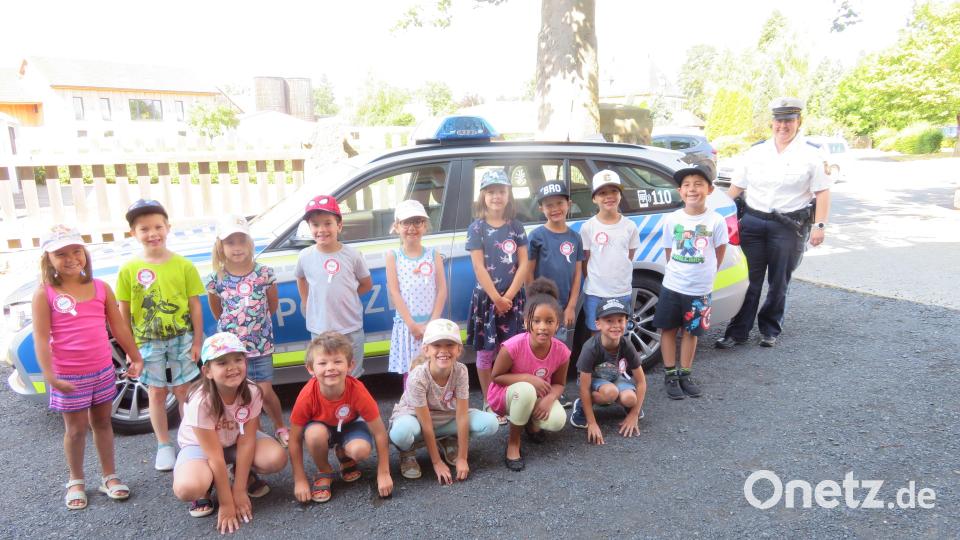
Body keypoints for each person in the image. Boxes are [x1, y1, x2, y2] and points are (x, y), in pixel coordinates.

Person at [32, 225, 144, 510]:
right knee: (75, 430)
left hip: (102, 371)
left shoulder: (100, 288)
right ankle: (76, 480)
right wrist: (50, 375)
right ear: (48, 259)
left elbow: (118, 326)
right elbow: (42, 338)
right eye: (61, 254)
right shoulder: (44, 294)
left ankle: (109, 476)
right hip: (69, 375)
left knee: (103, 423)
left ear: (85, 253)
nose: (71, 258)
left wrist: (135, 355)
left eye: (76, 251)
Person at [715, 97, 832, 349]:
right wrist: (715, 209)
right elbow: (737, 187)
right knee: (748, 279)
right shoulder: (756, 151)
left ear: (798, 122)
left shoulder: (812, 154)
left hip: (788, 226)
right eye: (779, 120)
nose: (783, 126)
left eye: (789, 120)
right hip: (753, 222)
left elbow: (822, 192)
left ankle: (769, 328)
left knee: (779, 281)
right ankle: (738, 331)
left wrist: (819, 226)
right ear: (772, 122)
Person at [116, 199, 205, 471]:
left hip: (182, 337)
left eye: (157, 226)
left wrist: (198, 341)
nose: (152, 233)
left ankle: (189, 441)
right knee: (156, 392)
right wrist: (131, 351)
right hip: (147, 341)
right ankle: (163, 444)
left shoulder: (184, 266)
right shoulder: (129, 269)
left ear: (168, 227)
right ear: (134, 233)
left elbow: (194, 305)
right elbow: (124, 311)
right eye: (144, 229)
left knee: (183, 391)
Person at [172, 333, 288, 533]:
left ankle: (241, 475)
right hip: (201, 448)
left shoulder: (252, 391)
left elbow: (247, 442)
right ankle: (206, 487)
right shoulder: (200, 401)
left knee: (275, 458)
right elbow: (214, 454)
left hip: (234, 442)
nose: (232, 367)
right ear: (207, 370)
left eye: (238, 359)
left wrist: (239, 491)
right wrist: (227, 503)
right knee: (187, 488)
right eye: (222, 362)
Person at [205, 215, 289, 447]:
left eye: (242, 241)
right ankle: (257, 435)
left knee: (264, 391)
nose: (237, 247)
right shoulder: (216, 279)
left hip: (260, 345)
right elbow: (217, 311)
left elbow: (271, 304)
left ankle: (280, 426)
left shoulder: (264, 273)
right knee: (244, 395)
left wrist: (256, 328)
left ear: (250, 243)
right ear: (220, 247)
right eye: (230, 242)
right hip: (232, 350)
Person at [288, 332, 393, 503]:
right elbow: (294, 439)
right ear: (310, 368)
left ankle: (345, 454)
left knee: (361, 450)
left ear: (350, 365)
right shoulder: (307, 395)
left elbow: (380, 432)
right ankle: (324, 469)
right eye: (322, 363)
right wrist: (299, 480)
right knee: (314, 435)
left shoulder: (358, 390)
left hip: (350, 425)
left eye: (337, 361)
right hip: (322, 428)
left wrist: (384, 473)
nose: (330, 368)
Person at [389, 319, 499, 482]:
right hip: (417, 421)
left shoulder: (461, 371)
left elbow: (462, 415)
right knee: (401, 433)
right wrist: (437, 462)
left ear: (459, 350)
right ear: (426, 350)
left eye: (450, 345)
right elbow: (425, 422)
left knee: (491, 423)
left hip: (446, 418)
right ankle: (407, 451)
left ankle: (448, 439)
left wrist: (463, 458)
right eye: (437, 345)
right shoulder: (418, 377)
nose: (443, 350)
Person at [653, 165, 729, 399]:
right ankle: (670, 373)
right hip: (673, 286)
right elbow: (669, 251)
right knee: (668, 329)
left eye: (698, 184)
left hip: (700, 289)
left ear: (710, 189)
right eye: (686, 185)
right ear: (680, 191)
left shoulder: (716, 221)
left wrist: (703, 277)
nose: (692, 189)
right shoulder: (672, 219)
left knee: (691, 332)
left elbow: (718, 254)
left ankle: (685, 372)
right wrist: (678, 273)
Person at [466, 169, 530, 424]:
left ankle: (512, 396)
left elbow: (524, 263)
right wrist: (497, 298)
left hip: (514, 301)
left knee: (512, 351)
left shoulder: (516, 227)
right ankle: (490, 399)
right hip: (487, 302)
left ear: (509, 195)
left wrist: (510, 296)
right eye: (491, 191)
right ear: (483, 196)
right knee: (485, 354)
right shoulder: (477, 228)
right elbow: (479, 267)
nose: (496, 196)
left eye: (501, 191)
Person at [488, 278, 569, 471]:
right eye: (537, 321)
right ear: (526, 322)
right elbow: (496, 376)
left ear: (557, 324)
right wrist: (528, 378)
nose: (543, 327)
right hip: (504, 395)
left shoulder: (562, 351)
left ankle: (531, 422)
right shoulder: (513, 346)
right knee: (526, 390)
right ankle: (514, 443)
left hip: (536, 395)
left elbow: (559, 384)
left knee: (557, 420)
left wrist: (549, 399)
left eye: (549, 321)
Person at [295, 195, 373, 376]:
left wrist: (347, 296)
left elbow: (366, 284)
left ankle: (352, 405)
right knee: (324, 375)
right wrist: (307, 301)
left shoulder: (352, 255)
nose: (321, 229)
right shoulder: (305, 256)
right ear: (309, 227)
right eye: (315, 224)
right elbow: (300, 278)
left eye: (327, 223)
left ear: (339, 225)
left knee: (352, 375)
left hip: (350, 328)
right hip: (320, 329)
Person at [385, 200, 448, 388]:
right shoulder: (393, 256)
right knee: (411, 372)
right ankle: (412, 408)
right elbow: (395, 292)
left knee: (435, 368)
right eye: (406, 223)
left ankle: (434, 408)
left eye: (417, 222)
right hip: (408, 327)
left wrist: (432, 323)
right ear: (397, 227)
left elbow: (442, 289)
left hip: (431, 324)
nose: (412, 227)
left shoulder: (433, 254)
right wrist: (412, 325)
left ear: (425, 226)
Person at [569, 297, 647, 443]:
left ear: (626, 322)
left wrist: (634, 414)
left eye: (620, 320)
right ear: (598, 324)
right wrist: (592, 423)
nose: (616, 325)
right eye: (609, 321)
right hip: (594, 380)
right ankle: (581, 407)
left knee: (631, 399)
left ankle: (626, 407)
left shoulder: (627, 344)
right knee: (610, 393)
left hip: (614, 376)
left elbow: (642, 382)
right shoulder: (590, 347)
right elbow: (584, 387)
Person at [580, 170, 640, 335]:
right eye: (602, 193)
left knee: (618, 334)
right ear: (594, 198)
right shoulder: (588, 227)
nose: (609, 196)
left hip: (621, 291)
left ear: (620, 195)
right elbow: (586, 260)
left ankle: (617, 361)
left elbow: (629, 255)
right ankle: (600, 362)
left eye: (614, 191)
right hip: (595, 293)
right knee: (596, 333)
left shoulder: (630, 226)